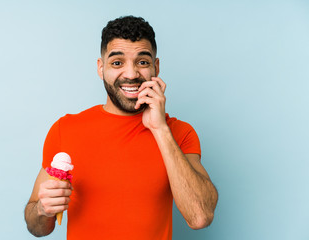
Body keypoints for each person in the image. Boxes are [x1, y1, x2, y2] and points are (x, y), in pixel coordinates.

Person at [24, 15, 218, 240]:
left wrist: (160, 129)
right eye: (117, 62)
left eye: (142, 62)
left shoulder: (179, 133)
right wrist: (41, 209)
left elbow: (200, 217)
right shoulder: (65, 129)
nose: (131, 74)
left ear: (155, 67)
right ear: (101, 68)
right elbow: (37, 227)